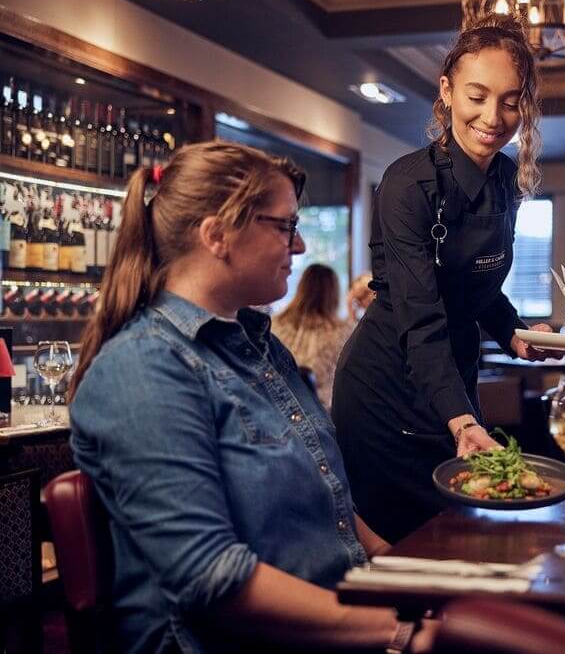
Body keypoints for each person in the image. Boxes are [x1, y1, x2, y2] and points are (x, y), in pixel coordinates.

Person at [69, 142, 434, 653]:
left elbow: (328, 500)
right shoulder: (143, 368)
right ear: (217, 235)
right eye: (285, 226)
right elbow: (211, 577)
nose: (301, 246)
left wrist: (405, 572)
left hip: (341, 622)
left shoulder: (260, 346)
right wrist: (402, 633)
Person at [332, 13, 556, 542]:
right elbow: (421, 314)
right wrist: (461, 419)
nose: (493, 116)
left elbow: (475, 285)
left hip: (453, 381)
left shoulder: (505, 180)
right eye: (477, 95)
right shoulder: (408, 184)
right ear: (447, 91)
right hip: (387, 389)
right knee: (417, 548)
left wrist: (512, 331)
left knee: (463, 538)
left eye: (510, 100)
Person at [273, 264, 350, 408]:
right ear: (334, 293)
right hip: (325, 415)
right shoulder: (344, 332)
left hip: (282, 410)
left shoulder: (272, 325)